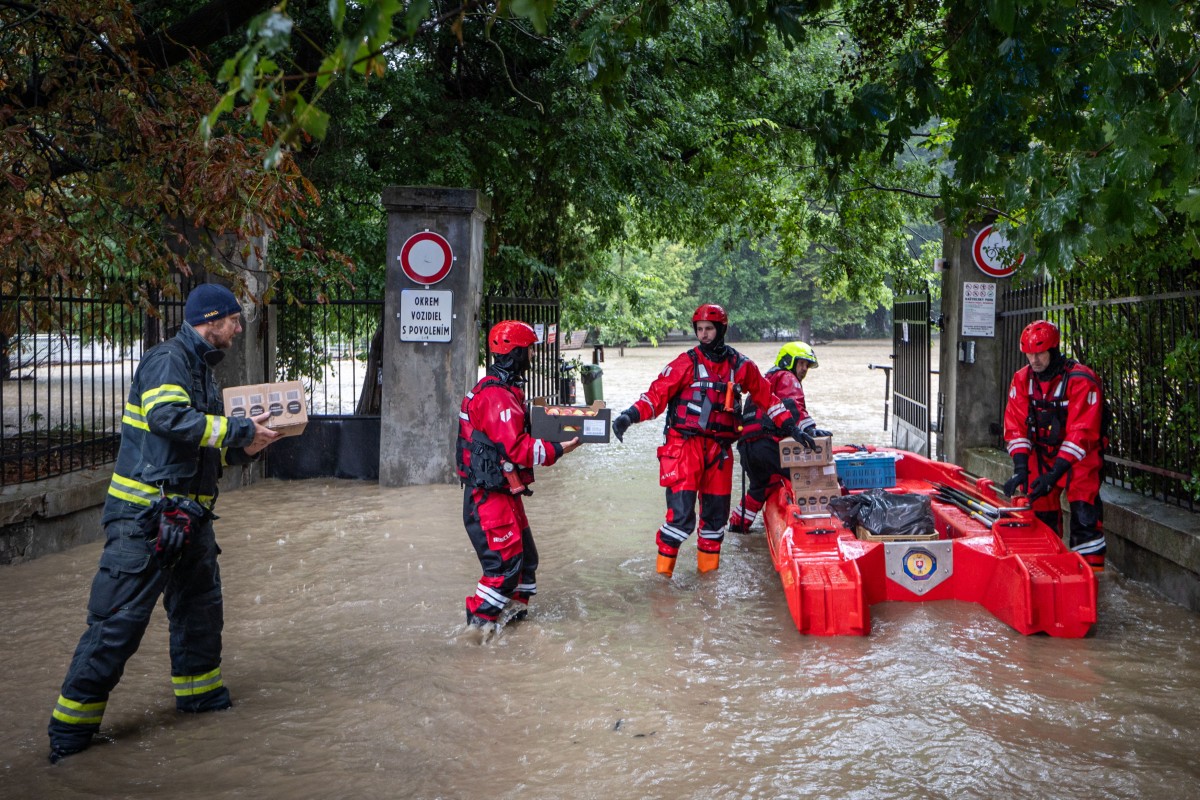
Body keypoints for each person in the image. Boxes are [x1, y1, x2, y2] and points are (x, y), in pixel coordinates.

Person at [47, 284, 281, 763]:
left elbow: (198, 445)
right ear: (211, 319)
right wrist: (236, 429)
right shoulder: (168, 360)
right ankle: (68, 739)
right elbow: (168, 419)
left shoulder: (201, 370)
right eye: (234, 319)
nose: (239, 328)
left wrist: (244, 448)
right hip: (144, 520)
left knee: (200, 616)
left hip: (190, 518)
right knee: (117, 626)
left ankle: (202, 705)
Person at [611, 304, 806, 576]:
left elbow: (767, 398)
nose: (703, 335)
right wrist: (629, 416)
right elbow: (656, 396)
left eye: (709, 329)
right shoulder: (685, 363)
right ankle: (662, 584)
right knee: (679, 521)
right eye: (699, 329)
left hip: (720, 452)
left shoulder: (741, 366)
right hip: (684, 448)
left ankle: (708, 585)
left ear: (721, 330)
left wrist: (793, 427)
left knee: (715, 524)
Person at [456, 320, 581, 630]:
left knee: (525, 562)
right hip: (487, 499)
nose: (533, 356)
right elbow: (517, 449)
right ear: (514, 353)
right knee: (504, 569)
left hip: (503, 493)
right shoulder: (496, 397)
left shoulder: (504, 391)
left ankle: (513, 630)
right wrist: (559, 448)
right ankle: (476, 635)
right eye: (530, 350)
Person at [1002, 319, 1106, 572]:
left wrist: (1055, 473)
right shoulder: (1022, 379)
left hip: (1080, 457)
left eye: (1039, 353)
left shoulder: (1081, 380)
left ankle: (1091, 577)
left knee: (1084, 512)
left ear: (1054, 349)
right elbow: (1015, 426)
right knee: (1039, 511)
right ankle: (1047, 568)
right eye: (1029, 354)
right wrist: (1020, 469)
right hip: (1042, 453)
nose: (1034, 360)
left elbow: (1082, 433)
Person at [729, 341, 832, 533]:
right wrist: (810, 429)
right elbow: (793, 404)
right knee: (812, 476)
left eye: (807, 366)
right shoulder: (786, 377)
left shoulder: (765, 380)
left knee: (760, 488)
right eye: (801, 363)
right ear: (788, 361)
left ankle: (737, 526)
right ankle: (820, 524)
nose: (804, 369)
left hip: (747, 448)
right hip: (767, 444)